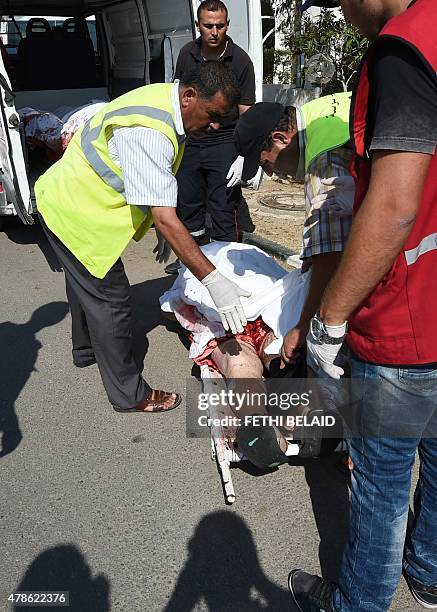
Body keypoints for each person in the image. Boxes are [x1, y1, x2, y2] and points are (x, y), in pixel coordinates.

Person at [286, 0, 437, 611]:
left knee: (380, 481)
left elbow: (396, 204)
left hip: (403, 322)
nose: (344, 13)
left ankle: (358, 604)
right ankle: (427, 570)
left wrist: (327, 321)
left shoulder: (406, 48)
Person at [35, 62, 252, 415]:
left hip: (61, 198)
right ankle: (129, 393)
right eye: (212, 115)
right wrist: (214, 281)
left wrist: (165, 222)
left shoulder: (163, 103)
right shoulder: (150, 130)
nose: (213, 125)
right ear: (189, 95)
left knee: (82, 284)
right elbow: (165, 217)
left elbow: (155, 191)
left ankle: (86, 350)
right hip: (76, 211)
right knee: (113, 301)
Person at [233, 93, 355, 373]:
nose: (274, 175)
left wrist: (302, 327)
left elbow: (331, 255)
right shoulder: (320, 113)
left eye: (267, 164)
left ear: (280, 138)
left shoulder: (323, 161)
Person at [164, 0, 256, 275]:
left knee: (223, 208)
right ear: (198, 26)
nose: (214, 31)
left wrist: (244, 154)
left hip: (224, 142)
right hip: (191, 141)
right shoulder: (187, 54)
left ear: (227, 25)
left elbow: (247, 112)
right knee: (188, 205)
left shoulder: (240, 60)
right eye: (208, 26)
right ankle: (190, 263)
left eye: (220, 25)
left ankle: (225, 267)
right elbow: (178, 98)